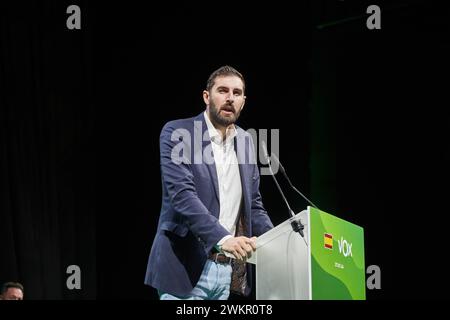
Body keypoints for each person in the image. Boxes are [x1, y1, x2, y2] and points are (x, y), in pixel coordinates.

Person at [144, 65, 274, 300]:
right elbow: (182, 196)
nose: (230, 98)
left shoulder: (246, 142)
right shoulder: (177, 132)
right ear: (206, 96)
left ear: (243, 101)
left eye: (237, 93)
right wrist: (223, 239)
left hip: (225, 273)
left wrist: (277, 242)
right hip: (184, 269)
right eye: (222, 90)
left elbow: (253, 206)